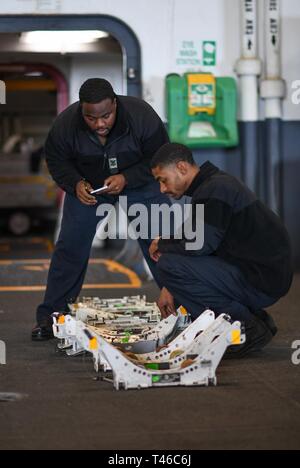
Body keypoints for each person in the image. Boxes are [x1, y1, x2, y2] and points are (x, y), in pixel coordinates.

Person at [32, 78, 170, 340]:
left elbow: (160, 158)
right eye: (91, 118)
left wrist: (126, 177)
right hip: (91, 188)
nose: (99, 124)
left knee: (160, 245)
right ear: (81, 110)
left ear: (115, 104)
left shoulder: (142, 116)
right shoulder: (65, 125)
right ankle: (52, 316)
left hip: (139, 185)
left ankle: (186, 306)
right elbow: (57, 161)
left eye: (105, 116)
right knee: (70, 246)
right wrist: (75, 184)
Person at [149, 143, 293, 357]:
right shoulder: (213, 186)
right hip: (262, 274)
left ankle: (242, 326)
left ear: (181, 167)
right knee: (172, 265)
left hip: (261, 280)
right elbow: (200, 242)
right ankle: (255, 319)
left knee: (169, 265)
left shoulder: (214, 190)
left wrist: (161, 244)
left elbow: (199, 245)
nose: (162, 189)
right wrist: (169, 287)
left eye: (163, 180)